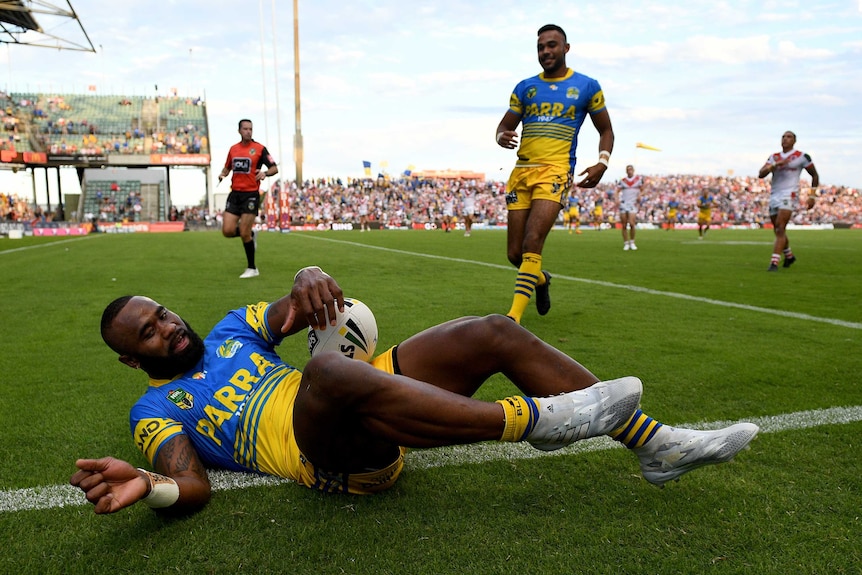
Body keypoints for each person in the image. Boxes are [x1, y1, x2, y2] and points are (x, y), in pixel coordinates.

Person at [71, 266, 758, 515]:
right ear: (134, 361)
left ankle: (655, 444)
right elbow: (190, 485)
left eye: (160, 313)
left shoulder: (228, 330)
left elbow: (292, 306)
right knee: (329, 371)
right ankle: (533, 422)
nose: (165, 327)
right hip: (328, 453)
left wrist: (310, 271)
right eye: (148, 334)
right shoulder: (154, 408)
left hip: (352, 387)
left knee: (490, 331)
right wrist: (149, 485)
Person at [495, 24, 615, 324]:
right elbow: (503, 126)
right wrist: (501, 136)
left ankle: (513, 317)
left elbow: (606, 130)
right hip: (521, 173)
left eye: (551, 45)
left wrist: (602, 162)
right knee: (515, 255)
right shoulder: (525, 87)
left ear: (566, 48)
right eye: (540, 47)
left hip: (556, 171)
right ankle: (541, 280)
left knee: (532, 241)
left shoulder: (587, 87)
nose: (545, 51)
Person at [217, 119, 278, 279]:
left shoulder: (259, 149)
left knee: (243, 232)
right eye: (245, 129)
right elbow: (228, 166)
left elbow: (274, 168)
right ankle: (251, 234)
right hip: (235, 194)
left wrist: (265, 173)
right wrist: (223, 173)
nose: (248, 131)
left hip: (251, 194)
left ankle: (252, 268)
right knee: (227, 231)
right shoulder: (233, 149)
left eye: (250, 129)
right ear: (239, 131)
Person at [758, 130, 819, 271]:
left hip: (789, 194)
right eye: (783, 137)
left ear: (794, 141)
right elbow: (761, 174)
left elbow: (814, 175)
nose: (785, 139)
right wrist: (775, 165)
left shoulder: (801, 157)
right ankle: (789, 255)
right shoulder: (774, 157)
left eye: (789, 137)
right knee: (778, 229)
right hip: (774, 195)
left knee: (780, 227)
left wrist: (812, 195)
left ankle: (774, 262)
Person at [618, 165, 644, 251]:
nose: (629, 171)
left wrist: (640, 195)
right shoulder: (622, 181)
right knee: (624, 225)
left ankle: (632, 242)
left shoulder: (638, 180)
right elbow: (616, 191)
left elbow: (643, 190)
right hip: (623, 203)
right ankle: (626, 243)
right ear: (626, 171)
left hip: (633, 204)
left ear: (633, 170)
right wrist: (616, 199)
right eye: (628, 170)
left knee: (632, 224)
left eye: (631, 170)